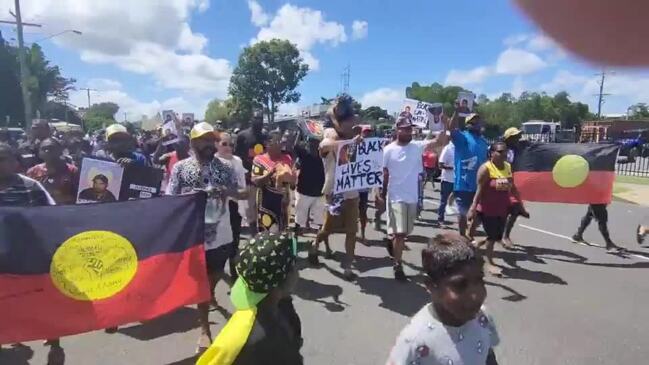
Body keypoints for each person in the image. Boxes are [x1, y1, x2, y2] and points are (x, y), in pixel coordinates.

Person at [166, 122, 239, 353]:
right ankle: (205, 330)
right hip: (193, 236)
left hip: (220, 235)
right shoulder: (180, 168)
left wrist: (227, 192)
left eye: (211, 140)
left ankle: (210, 293)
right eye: (203, 140)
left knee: (215, 275)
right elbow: (170, 198)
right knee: (200, 282)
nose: (209, 144)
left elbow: (241, 193)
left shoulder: (226, 167)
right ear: (192, 142)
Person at [386, 232, 499, 365]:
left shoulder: (483, 317)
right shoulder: (414, 341)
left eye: (479, 280)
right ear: (431, 286)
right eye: (459, 285)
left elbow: (487, 354)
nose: (475, 296)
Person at [197, 232, 303, 365]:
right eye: (294, 266)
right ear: (285, 279)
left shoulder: (260, 311)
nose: (297, 270)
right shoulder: (273, 341)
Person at [377, 117, 448, 280]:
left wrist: (441, 123)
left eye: (410, 129)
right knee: (401, 233)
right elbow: (381, 173)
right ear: (397, 130)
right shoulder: (388, 150)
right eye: (404, 129)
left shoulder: (417, 146)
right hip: (395, 196)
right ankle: (398, 266)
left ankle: (391, 241)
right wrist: (379, 194)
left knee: (404, 233)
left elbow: (440, 140)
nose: (408, 131)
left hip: (413, 197)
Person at [311, 95, 361, 280]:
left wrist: (357, 143)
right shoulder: (329, 137)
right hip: (334, 192)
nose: (351, 124)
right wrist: (348, 142)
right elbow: (326, 145)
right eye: (349, 122)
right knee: (327, 228)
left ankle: (348, 268)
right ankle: (314, 246)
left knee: (351, 231)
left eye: (352, 122)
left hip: (353, 192)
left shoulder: (357, 140)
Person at [468, 142, 527, 276]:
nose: (504, 154)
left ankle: (475, 245)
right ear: (492, 153)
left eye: (505, 151)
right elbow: (479, 190)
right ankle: (489, 262)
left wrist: (521, 205)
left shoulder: (507, 167)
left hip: (502, 208)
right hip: (487, 208)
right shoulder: (486, 168)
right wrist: (473, 207)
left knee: (496, 236)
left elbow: (513, 188)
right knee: (492, 236)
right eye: (500, 152)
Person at [449, 113, 488, 238]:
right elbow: (451, 128)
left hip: (480, 184)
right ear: (468, 125)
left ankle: (469, 235)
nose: (476, 124)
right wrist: (456, 111)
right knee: (462, 214)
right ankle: (462, 237)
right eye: (473, 122)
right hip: (463, 184)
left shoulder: (483, 142)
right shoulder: (462, 137)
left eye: (478, 121)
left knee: (480, 213)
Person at [216, 132, 248, 281]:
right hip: (218, 209)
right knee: (220, 242)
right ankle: (217, 272)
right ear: (216, 145)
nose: (228, 147)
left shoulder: (238, 161)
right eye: (224, 144)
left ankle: (234, 270)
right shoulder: (212, 162)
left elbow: (242, 184)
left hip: (235, 206)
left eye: (231, 144)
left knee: (235, 240)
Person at [251, 130, 295, 233]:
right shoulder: (259, 159)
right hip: (267, 203)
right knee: (267, 235)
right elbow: (256, 181)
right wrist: (271, 172)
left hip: (283, 204)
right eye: (276, 141)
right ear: (267, 144)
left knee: (282, 234)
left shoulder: (287, 158)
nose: (280, 144)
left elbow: (292, 184)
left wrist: (292, 178)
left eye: (281, 141)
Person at [293, 135, 329, 256]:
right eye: (311, 142)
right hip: (303, 193)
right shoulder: (304, 154)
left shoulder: (324, 156)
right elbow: (295, 145)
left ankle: (315, 247)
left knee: (320, 224)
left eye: (316, 143)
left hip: (319, 194)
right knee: (298, 223)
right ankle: (294, 248)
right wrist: (300, 131)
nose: (313, 145)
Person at [236, 110, 269, 230]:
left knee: (263, 209)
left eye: (261, 119)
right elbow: (237, 157)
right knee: (250, 210)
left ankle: (263, 235)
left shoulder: (266, 136)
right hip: (248, 179)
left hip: (264, 179)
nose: (259, 121)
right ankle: (253, 236)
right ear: (251, 119)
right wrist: (243, 174)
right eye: (256, 118)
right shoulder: (242, 136)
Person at [25, 138, 78, 205]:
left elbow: (79, 197)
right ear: (39, 153)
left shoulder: (72, 171)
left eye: (51, 148)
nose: (47, 151)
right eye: (43, 149)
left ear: (60, 151)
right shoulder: (33, 172)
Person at [501, 127, 529, 249]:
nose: (518, 139)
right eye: (515, 137)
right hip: (501, 182)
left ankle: (504, 236)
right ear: (509, 139)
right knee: (492, 211)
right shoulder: (504, 151)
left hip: (510, 183)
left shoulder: (515, 149)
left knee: (513, 208)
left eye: (519, 136)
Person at [437, 142, 455, 224]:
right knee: (444, 200)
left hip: (458, 180)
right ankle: (440, 219)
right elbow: (440, 165)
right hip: (447, 179)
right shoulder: (447, 148)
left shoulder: (461, 148)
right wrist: (453, 168)